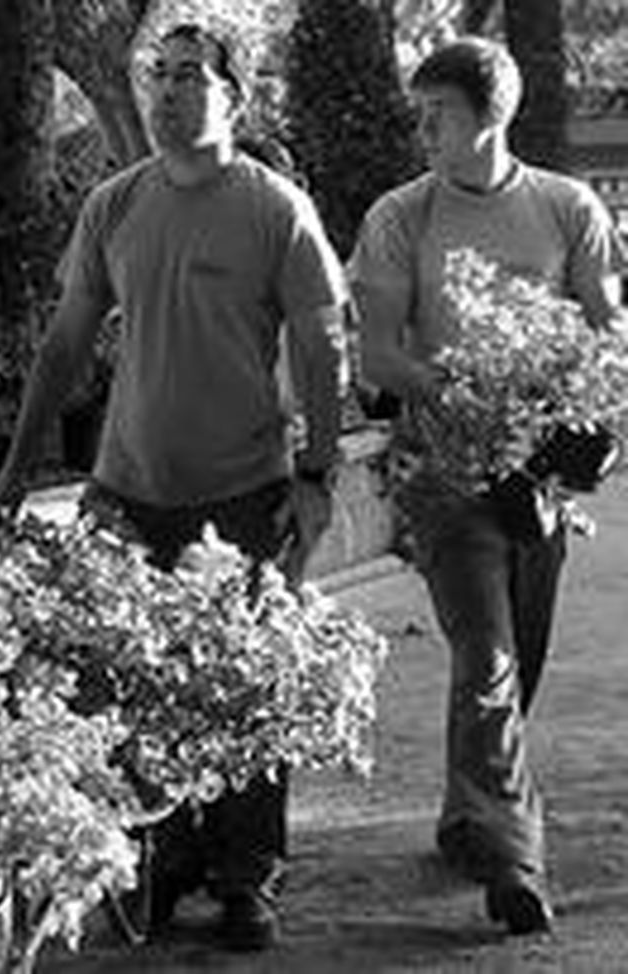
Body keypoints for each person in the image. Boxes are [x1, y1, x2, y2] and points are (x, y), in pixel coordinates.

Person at [0, 23, 347, 951]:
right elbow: (66, 341)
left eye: (192, 76)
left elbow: (321, 345)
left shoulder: (276, 209)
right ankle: (161, 857)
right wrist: (18, 467)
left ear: (235, 98)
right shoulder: (114, 205)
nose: (170, 90)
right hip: (128, 487)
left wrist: (316, 477)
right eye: (159, 74)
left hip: (243, 490)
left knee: (245, 689)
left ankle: (246, 876)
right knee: (126, 688)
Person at [350, 37, 625, 936]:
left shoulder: (565, 206)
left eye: (439, 114)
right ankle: (516, 863)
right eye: (419, 114)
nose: (422, 129)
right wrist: (468, 395)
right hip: (443, 470)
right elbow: (382, 350)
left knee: (514, 662)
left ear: (491, 115)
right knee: (487, 653)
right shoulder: (401, 215)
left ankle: (469, 817)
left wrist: (587, 420)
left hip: (538, 478)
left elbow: (606, 330)